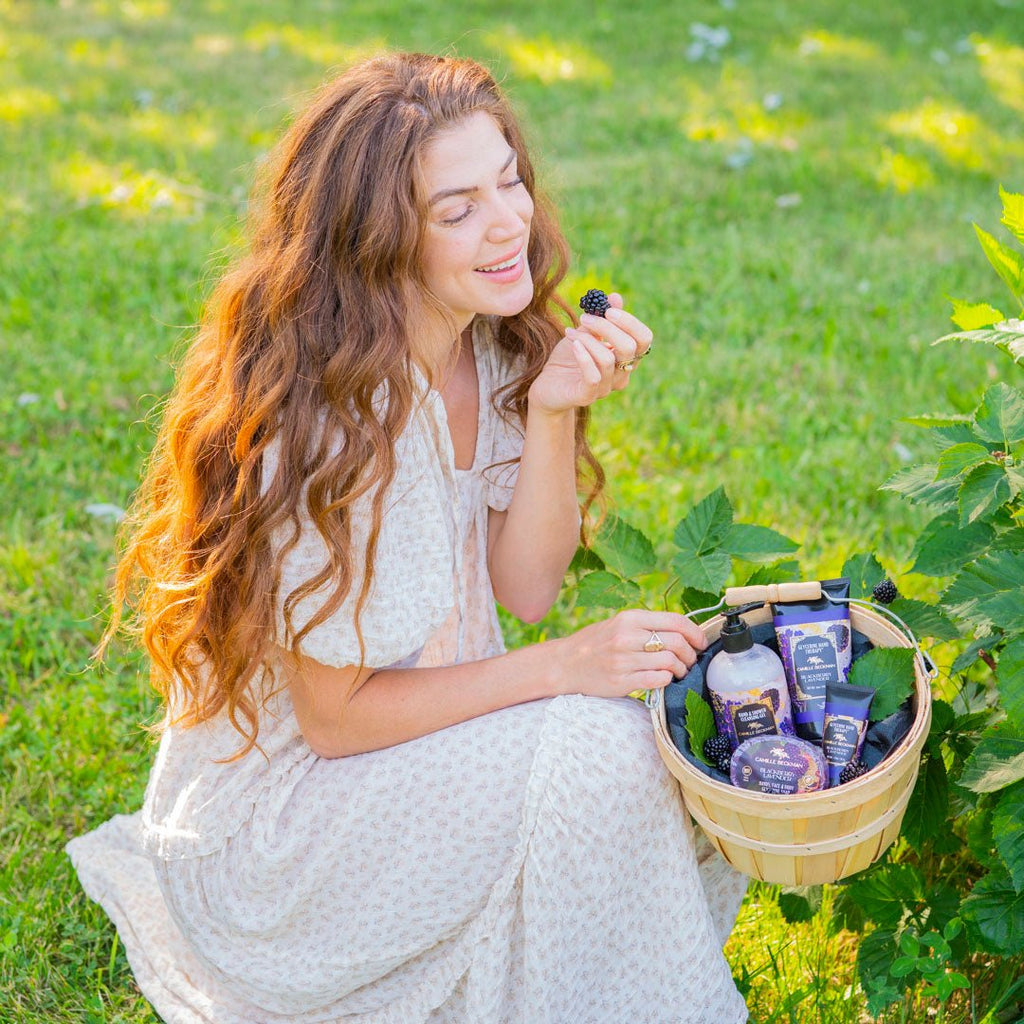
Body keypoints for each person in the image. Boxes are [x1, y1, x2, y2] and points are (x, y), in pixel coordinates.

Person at [66, 52, 750, 1023]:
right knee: (600, 750)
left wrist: (552, 412)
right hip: (295, 818)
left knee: (634, 746)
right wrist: (560, 669)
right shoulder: (327, 426)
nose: (508, 220)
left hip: (436, 724)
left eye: (507, 178)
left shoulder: (488, 340)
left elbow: (525, 589)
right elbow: (337, 719)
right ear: (379, 239)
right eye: (457, 207)